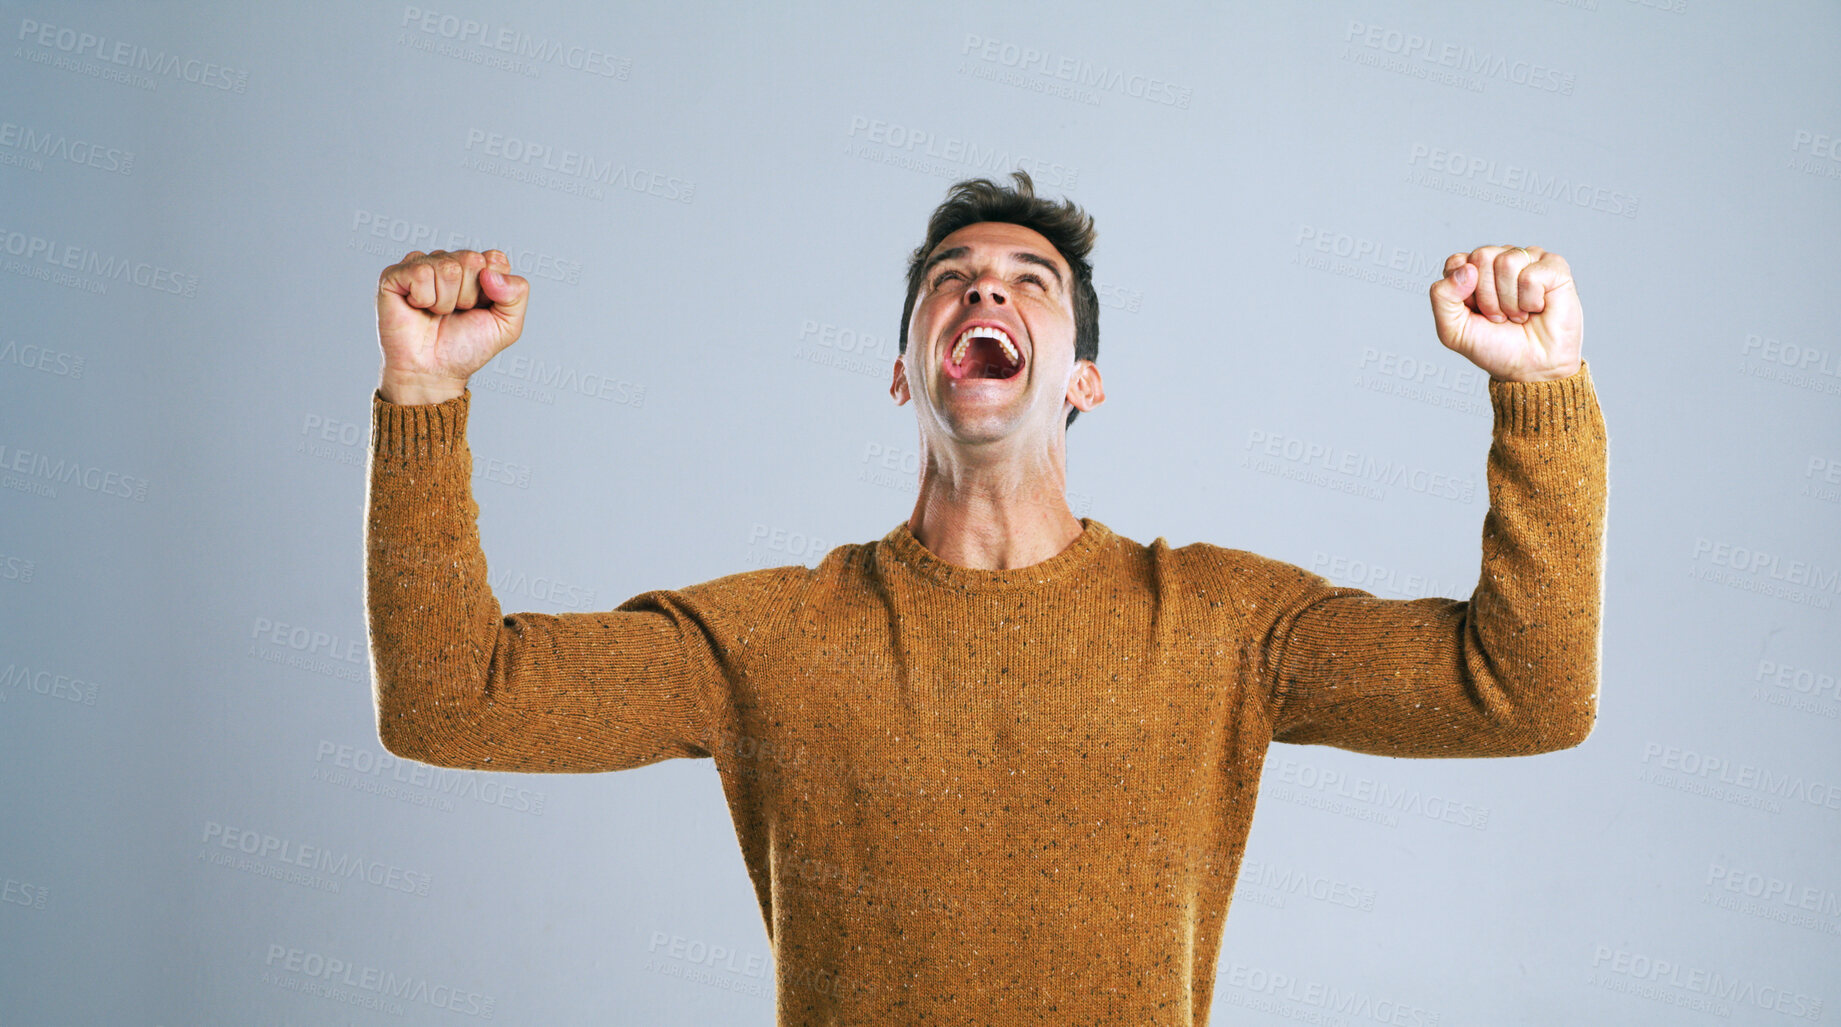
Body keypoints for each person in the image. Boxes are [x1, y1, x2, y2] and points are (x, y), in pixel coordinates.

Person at [364, 171, 1605, 1026]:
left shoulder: (1224, 626)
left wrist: (1541, 392)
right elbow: (453, 702)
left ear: (1087, 380)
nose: (987, 291)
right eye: (952, 279)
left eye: (1031, 281)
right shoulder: (770, 642)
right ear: (906, 374)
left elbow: (1524, 694)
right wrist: (424, 396)